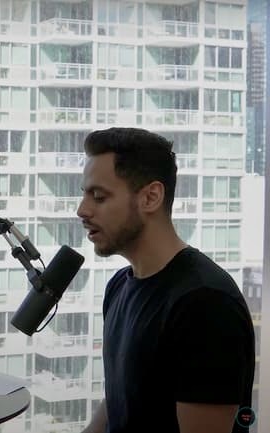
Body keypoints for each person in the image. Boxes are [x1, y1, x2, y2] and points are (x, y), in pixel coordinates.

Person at [76, 127, 255, 433]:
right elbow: (121, 401)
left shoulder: (206, 305)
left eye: (99, 196)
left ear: (150, 197)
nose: (82, 210)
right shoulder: (119, 286)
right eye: (85, 195)